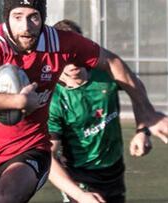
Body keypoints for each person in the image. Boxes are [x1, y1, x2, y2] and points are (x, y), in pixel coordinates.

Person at [0, 1, 168, 202]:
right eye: (18, 17)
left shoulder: (60, 42)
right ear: (7, 17)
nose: (26, 27)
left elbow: (112, 62)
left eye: (33, 17)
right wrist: (18, 101)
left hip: (30, 147)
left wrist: (145, 112)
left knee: (5, 196)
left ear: (43, 16)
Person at [48, 19, 153, 203]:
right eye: (65, 55)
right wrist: (78, 194)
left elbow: (136, 88)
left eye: (76, 53)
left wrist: (142, 130)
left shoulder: (105, 72)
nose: (72, 63)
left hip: (115, 170)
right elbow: (48, 157)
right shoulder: (54, 99)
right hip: (80, 176)